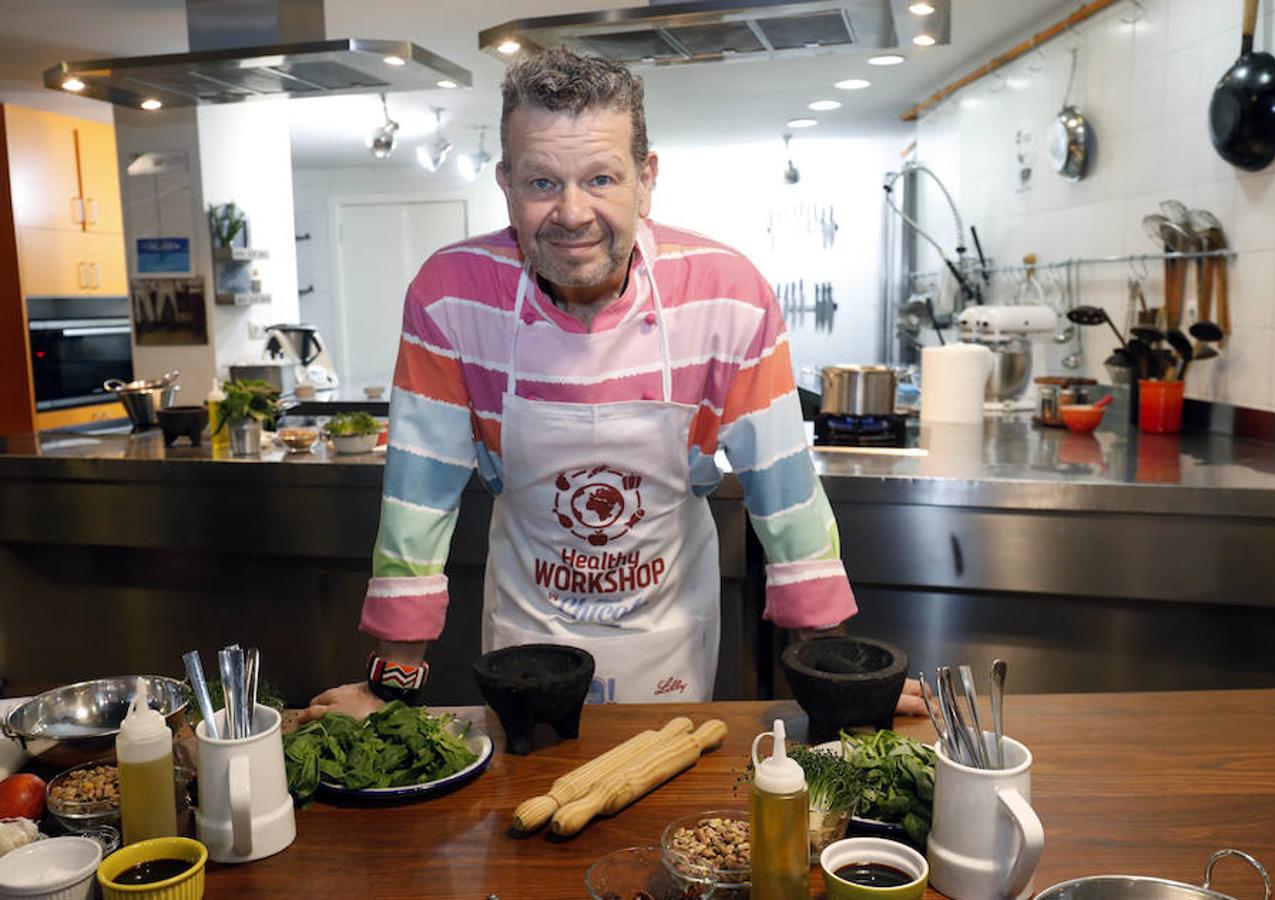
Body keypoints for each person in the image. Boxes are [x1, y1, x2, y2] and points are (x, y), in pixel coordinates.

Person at [304, 48, 924, 719]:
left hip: (669, 639)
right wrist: (391, 685)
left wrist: (840, 682)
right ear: (506, 183)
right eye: (542, 182)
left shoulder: (727, 293)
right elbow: (418, 501)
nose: (572, 213)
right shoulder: (450, 294)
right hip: (526, 634)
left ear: (646, 179)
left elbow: (785, 495)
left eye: (601, 178)